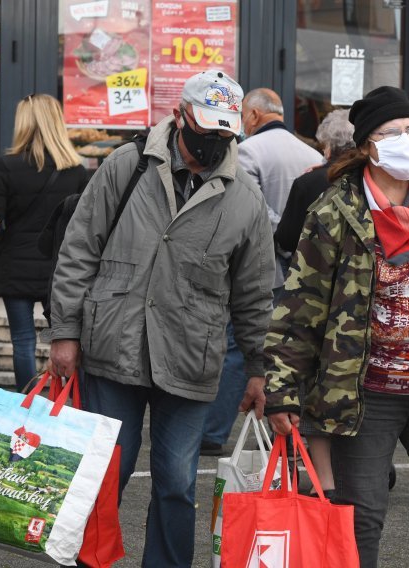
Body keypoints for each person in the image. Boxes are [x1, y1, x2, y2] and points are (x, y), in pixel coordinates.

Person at [256, 86, 409, 567]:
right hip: (366, 393)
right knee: (361, 516)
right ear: (368, 147)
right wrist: (283, 391)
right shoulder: (336, 211)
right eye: (393, 133)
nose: (408, 139)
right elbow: (300, 308)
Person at [49, 70, 274, 567]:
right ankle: (89, 561)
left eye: (225, 134)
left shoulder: (245, 199)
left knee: (177, 483)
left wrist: (259, 369)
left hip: (190, 356)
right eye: (206, 130)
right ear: (179, 117)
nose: (215, 142)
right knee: (105, 474)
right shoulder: (126, 165)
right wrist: (64, 331)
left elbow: (256, 293)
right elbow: (79, 249)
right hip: (112, 348)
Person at [200, 88, 324, 456]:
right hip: (300, 269)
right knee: (289, 349)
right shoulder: (312, 154)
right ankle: (287, 430)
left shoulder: (248, 151)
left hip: (256, 268)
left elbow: (247, 208)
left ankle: (213, 429)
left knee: (239, 346)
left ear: (252, 115)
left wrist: (280, 230)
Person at [0, 94, 88, 391]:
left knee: (23, 341)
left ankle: (27, 401)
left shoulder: (6, 167)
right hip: (61, 267)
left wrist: (5, 243)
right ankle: (63, 398)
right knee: (66, 338)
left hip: (16, 264)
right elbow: (85, 224)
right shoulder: (76, 171)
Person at [275, 108, 355, 256]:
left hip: (315, 269)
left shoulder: (307, 182)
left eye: (324, 145)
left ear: (329, 146)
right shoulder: (370, 177)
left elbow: (286, 239)